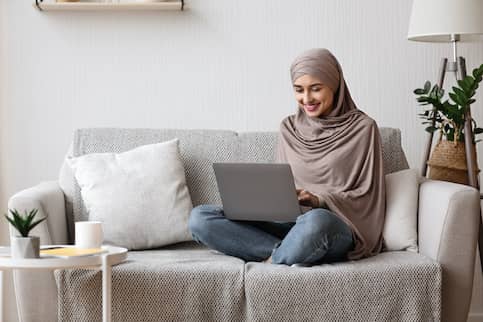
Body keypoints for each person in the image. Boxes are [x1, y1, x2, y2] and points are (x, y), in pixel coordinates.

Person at [188, 48, 385, 266]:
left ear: (335, 85)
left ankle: (271, 254)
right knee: (200, 217)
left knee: (316, 221)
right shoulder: (289, 128)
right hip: (287, 223)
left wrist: (318, 200)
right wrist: (266, 200)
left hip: (330, 225)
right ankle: (285, 253)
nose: (306, 98)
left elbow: (368, 195)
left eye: (316, 89)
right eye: (299, 90)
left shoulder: (363, 128)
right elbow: (280, 184)